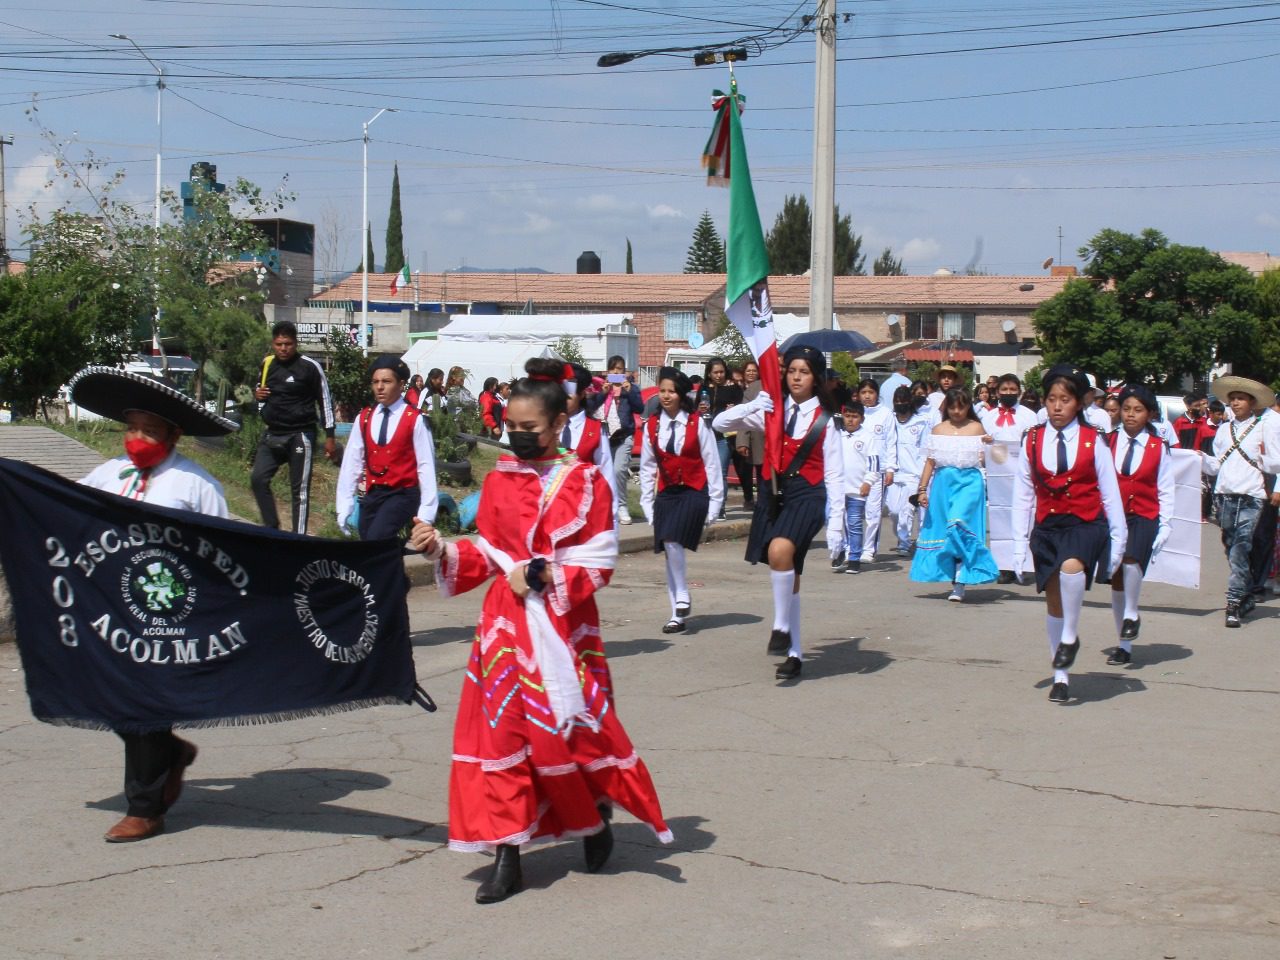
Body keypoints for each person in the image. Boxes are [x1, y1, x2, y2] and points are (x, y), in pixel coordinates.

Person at [407, 356, 671, 903]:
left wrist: (543, 573)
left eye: (530, 429)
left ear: (556, 424)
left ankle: (594, 817)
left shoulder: (587, 481)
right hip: (504, 629)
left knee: (569, 735)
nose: (519, 438)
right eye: (512, 429)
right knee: (503, 737)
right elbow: (487, 552)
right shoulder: (500, 480)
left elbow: (599, 559)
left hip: (564, 630)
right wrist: (442, 549)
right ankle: (508, 853)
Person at [69, 365, 236, 843]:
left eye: (151, 429)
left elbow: (224, 552)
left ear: (174, 434)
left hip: (167, 610)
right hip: (111, 608)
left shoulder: (196, 484)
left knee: (142, 705)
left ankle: (145, 807)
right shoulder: (107, 474)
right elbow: (70, 512)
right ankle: (170, 751)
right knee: (99, 693)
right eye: (133, 427)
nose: (138, 438)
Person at [712, 345, 843, 681]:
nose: (796, 377)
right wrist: (754, 404)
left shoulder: (828, 421)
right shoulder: (773, 410)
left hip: (809, 495)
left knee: (779, 549)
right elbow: (719, 422)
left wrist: (837, 527)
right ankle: (795, 653)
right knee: (790, 570)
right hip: (776, 494)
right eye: (792, 370)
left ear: (816, 379)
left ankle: (781, 625)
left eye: (804, 371)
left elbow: (836, 476)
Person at [1011, 364, 1127, 704]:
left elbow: (1110, 493)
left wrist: (1118, 540)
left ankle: (1071, 637)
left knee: (1072, 568)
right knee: (1054, 601)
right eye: (1051, 399)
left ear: (1078, 403)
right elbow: (1022, 495)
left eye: (1065, 400)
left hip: (1085, 523)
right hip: (1048, 526)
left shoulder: (1095, 441)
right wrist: (1017, 546)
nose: (1057, 406)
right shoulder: (1032, 439)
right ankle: (1060, 676)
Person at [639, 367, 724, 633]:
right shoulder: (652, 425)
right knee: (668, 548)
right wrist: (646, 502)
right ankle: (677, 613)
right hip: (667, 492)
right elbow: (646, 466)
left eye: (671, 391)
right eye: (662, 390)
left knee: (672, 540)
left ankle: (683, 593)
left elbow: (712, 464)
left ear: (681, 394)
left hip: (693, 491)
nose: (666, 396)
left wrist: (715, 502)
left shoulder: (697, 423)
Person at [1202, 376, 1280, 626]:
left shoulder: (1264, 426)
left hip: (1252, 494)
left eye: (1241, 399)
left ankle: (1233, 602)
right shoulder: (1223, 429)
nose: (1235, 403)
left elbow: (1274, 462)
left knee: (1242, 545)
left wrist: (1267, 462)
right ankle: (1246, 593)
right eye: (1232, 399)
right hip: (1225, 493)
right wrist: (1199, 458)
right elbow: (1216, 465)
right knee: (1230, 544)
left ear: (1252, 402)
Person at [1106, 385, 1175, 664]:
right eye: (1126, 409)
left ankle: (1132, 612)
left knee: (1132, 559)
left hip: (1144, 514)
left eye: (1138, 410)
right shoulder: (1107, 441)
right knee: (1116, 577)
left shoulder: (1158, 447)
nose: (1131, 415)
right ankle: (1124, 644)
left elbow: (1167, 487)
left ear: (1149, 414)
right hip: (1113, 516)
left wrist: (1166, 524)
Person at [336, 355, 439, 540]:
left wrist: (426, 514)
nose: (379, 387)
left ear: (401, 385)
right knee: (367, 537)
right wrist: (344, 505)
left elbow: (426, 466)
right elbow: (352, 462)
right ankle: (397, 565)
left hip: (403, 494)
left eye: (386, 381)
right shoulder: (365, 418)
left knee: (377, 537)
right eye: (375, 382)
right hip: (373, 493)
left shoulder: (414, 419)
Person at [911, 388, 999, 601]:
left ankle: (962, 576)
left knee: (958, 523)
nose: (957, 411)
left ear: (968, 406)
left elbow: (992, 459)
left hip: (970, 482)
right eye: (952, 407)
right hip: (943, 483)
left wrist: (991, 446)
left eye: (961, 406)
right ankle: (957, 581)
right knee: (946, 531)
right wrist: (922, 489)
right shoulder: (938, 429)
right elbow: (930, 462)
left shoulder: (977, 427)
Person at [251, 320, 337, 534]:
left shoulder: (309, 366)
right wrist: (257, 397)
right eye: (279, 344)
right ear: (273, 344)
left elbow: (325, 400)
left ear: (295, 343)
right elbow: (260, 392)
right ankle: (271, 529)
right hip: (272, 434)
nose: (283, 348)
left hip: (300, 435)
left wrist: (330, 436)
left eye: (288, 343)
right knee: (258, 479)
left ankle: (297, 539)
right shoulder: (267, 364)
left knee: (299, 492)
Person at [980, 373, 1037, 584]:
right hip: (998, 477)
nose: (1008, 393)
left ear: (1019, 392)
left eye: (1013, 390)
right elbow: (981, 443)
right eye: (1004, 390)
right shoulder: (988, 416)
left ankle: (1026, 564)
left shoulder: (1030, 416)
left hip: (1023, 474)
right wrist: (984, 444)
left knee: (1025, 518)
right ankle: (1004, 565)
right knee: (1000, 518)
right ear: (997, 392)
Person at [593, 355, 644, 526]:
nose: (616, 372)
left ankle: (622, 506)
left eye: (620, 369)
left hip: (624, 436)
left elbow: (640, 408)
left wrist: (628, 392)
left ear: (624, 371)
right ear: (608, 371)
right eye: (613, 369)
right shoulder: (601, 387)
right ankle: (607, 507)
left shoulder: (631, 388)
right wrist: (603, 393)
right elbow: (592, 407)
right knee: (604, 474)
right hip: (605, 437)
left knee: (619, 470)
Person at [558, 362, 617, 506]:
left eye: (568, 394)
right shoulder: (546, 425)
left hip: (585, 510)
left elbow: (606, 474)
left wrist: (612, 520)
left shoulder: (595, 430)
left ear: (582, 393)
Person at [884, 386, 933, 557]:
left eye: (903, 402)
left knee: (907, 510)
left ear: (910, 402)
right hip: (895, 473)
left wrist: (923, 477)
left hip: (914, 474)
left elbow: (925, 449)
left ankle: (904, 544)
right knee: (894, 511)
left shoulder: (921, 421)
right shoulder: (890, 420)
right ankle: (902, 537)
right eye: (897, 402)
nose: (900, 405)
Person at [832, 400, 879, 574]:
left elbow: (874, 464)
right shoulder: (836, 434)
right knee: (835, 522)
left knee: (854, 524)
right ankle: (839, 551)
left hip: (856, 490)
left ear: (862, 418)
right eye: (847, 416)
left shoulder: (867, 437)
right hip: (836, 489)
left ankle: (854, 558)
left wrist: (868, 482)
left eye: (855, 417)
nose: (850, 420)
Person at [696, 357, 743, 521]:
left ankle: (720, 507)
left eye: (721, 372)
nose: (719, 375)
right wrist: (700, 408)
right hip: (706, 433)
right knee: (706, 471)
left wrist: (734, 408)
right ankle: (707, 504)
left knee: (721, 472)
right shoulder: (704, 388)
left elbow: (741, 406)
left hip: (723, 436)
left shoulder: (732, 387)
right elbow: (696, 409)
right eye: (715, 372)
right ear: (709, 373)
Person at [854, 378, 892, 562]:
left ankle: (869, 549)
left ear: (877, 394)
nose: (867, 396)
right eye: (863, 392)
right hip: (856, 470)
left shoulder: (886, 414)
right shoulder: (853, 413)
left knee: (873, 511)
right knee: (853, 510)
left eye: (871, 392)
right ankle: (852, 546)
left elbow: (892, 442)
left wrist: (891, 468)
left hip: (878, 470)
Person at [735, 360, 764, 511]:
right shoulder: (753, 389)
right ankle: (756, 501)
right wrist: (742, 441)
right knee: (756, 473)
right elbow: (744, 415)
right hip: (757, 438)